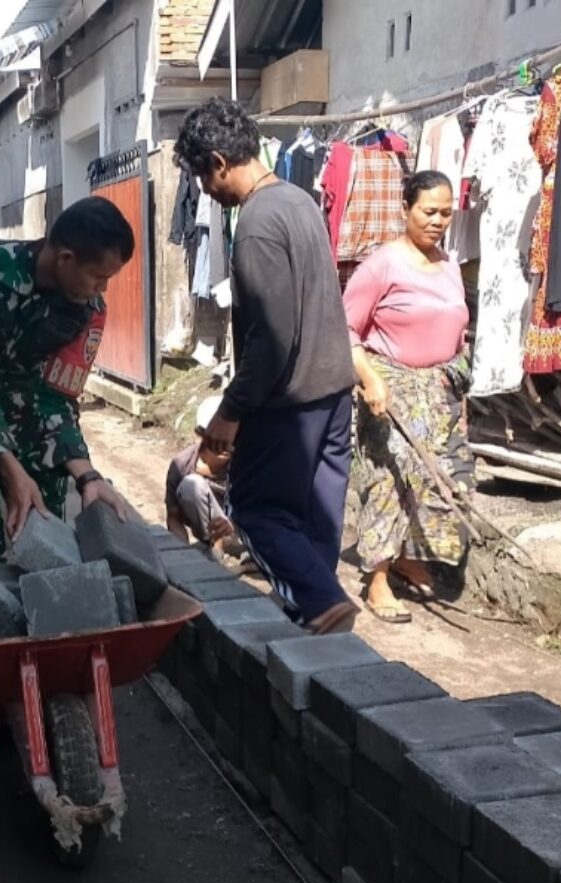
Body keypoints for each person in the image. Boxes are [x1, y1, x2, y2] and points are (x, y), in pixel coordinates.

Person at [174, 98, 358, 635]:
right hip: (333, 392)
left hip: (289, 401)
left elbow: (271, 341)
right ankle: (319, 623)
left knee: (255, 508)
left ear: (218, 162)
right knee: (315, 516)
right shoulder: (299, 201)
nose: (205, 192)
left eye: (203, 179)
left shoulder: (255, 223)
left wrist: (230, 413)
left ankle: (320, 601)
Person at [0, 197, 134, 566]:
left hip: (33, 429)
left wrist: (87, 476)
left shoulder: (88, 311)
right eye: (99, 277)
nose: (103, 289)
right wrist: (10, 469)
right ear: (66, 258)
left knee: (48, 550)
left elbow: (58, 397)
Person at [344, 170, 473, 624]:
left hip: (440, 391)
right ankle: (377, 577)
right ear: (405, 209)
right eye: (428, 211)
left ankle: (406, 555)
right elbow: (345, 329)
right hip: (391, 388)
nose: (438, 221)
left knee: (443, 480)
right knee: (391, 480)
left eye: (445, 213)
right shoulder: (382, 264)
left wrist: (459, 400)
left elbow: (456, 333)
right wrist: (369, 379)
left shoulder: (449, 265)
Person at [165, 395, 235, 549]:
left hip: (245, 532)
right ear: (201, 434)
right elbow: (174, 518)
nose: (226, 443)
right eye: (216, 437)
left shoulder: (247, 460)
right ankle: (216, 550)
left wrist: (234, 524)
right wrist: (182, 553)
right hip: (211, 536)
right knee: (192, 485)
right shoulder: (181, 465)